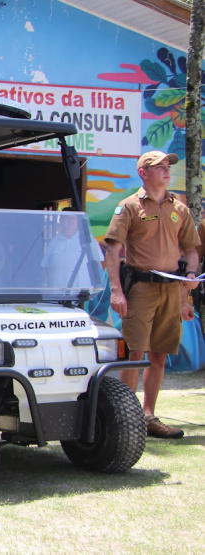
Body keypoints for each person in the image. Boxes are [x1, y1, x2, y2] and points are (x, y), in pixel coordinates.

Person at [104, 150, 199, 439]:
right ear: (143, 172)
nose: (167, 169)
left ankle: (147, 417)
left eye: (168, 165)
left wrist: (190, 281)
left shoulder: (179, 208)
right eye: (160, 166)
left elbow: (192, 251)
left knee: (159, 355)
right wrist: (116, 291)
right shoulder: (129, 206)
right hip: (141, 287)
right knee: (136, 353)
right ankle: (126, 419)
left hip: (171, 288)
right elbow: (112, 251)